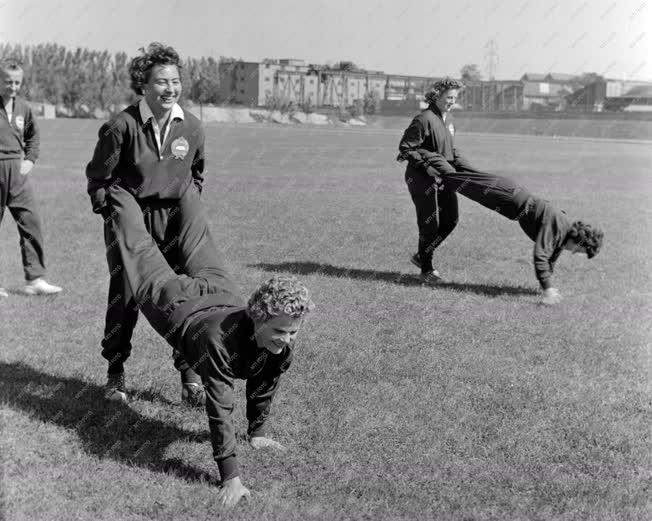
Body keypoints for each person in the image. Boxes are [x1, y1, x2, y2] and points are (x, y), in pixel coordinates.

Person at [106, 182, 314, 508]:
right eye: (281, 332)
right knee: (139, 245)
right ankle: (116, 185)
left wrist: (257, 432)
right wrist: (231, 477)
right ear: (258, 316)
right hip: (177, 302)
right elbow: (219, 409)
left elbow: (264, 382)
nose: (287, 341)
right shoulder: (219, 343)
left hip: (220, 291)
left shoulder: (280, 341)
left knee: (195, 225)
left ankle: (183, 176)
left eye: (293, 333)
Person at [86, 43, 207, 403]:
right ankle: (115, 373)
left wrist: (187, 212)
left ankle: (190, 377)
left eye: (175, 81)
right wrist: (113, 214)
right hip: (130, 223)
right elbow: (98, 179)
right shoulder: (120, 126)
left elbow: (197, 175)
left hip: (172, 225)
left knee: (179, 295)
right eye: (160, 82)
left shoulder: (194, 127)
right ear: (143, 85)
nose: (170, 89)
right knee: (125, 298)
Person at [422, 168, 603, 304]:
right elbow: (541, 256)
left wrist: (546, 284)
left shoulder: (563, 234)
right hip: (507, 195)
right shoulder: (558, 226)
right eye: (579, 250)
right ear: (580, 241)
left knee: (468, 182)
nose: (575, 253)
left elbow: (551, 257)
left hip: (510, 202)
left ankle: (443, 173)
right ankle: (432, 171)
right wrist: (548, 289)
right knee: (469, 185)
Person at [397, 78, 476, 284]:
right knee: (429, 224)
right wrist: (427, 168)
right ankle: (426, 269)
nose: (452, 101)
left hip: (443, 177)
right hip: (421, 178)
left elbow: (450, 151)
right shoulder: (423, 119)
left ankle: (420, 255)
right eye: (449, 97)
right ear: (436, 96)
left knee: (451, 219)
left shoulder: (449, 120)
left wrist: (470, 171)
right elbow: (406, 148)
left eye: (454, 98)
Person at [0, 60, 62, 298]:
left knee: (31, 222)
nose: (13, 86)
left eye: (17, 82)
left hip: (17, 173)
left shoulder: (23, 108)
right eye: (7, 81)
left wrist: (30, 159)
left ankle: (35, 279)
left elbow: (33, 137)